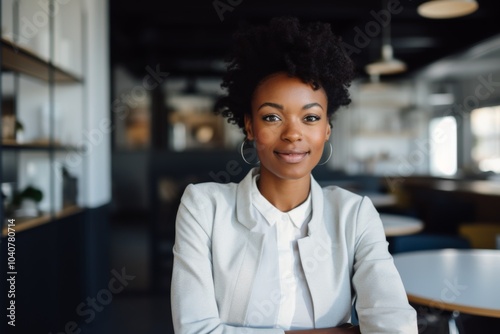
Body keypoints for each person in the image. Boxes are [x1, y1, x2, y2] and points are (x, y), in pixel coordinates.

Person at [171, 16, 418, 334]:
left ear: (327, 128)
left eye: (310, 117)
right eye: (272, 117)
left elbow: (396, 327)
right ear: (249, 126)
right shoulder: (203, 207)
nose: (292, 134)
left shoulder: (354, 214)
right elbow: (194, 331)